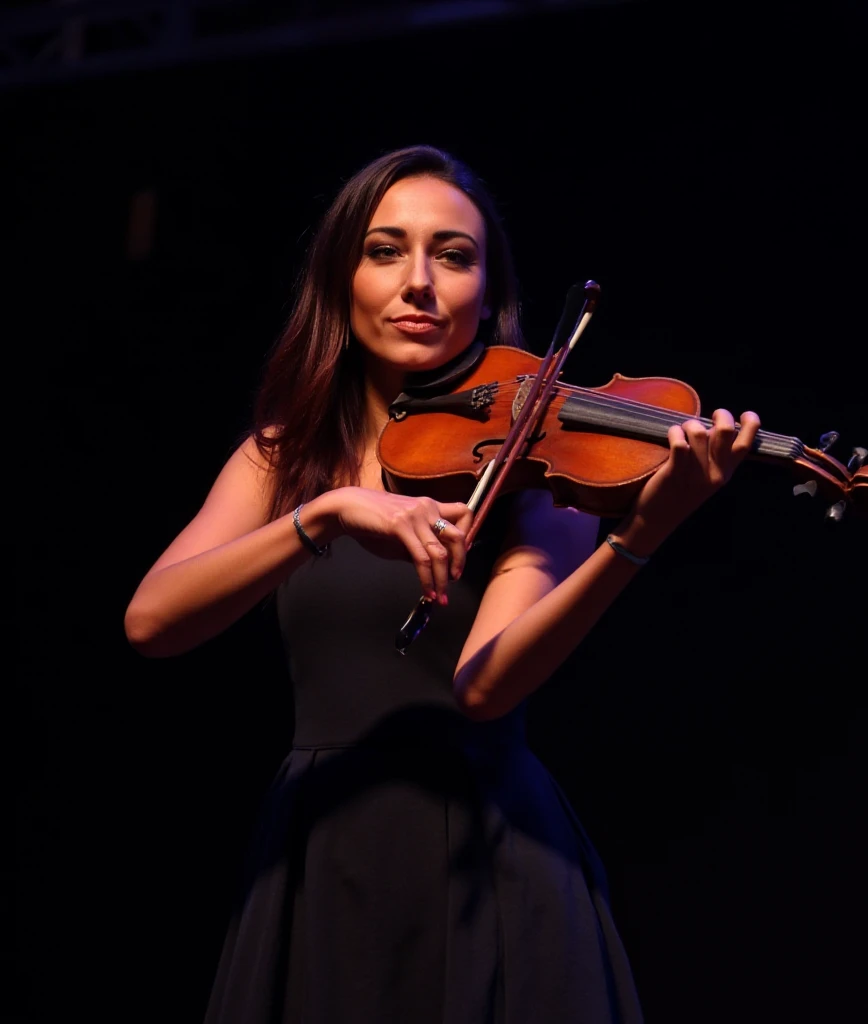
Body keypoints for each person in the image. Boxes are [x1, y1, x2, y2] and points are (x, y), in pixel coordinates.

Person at [124, 143, 760, 1023]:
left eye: (452, 255)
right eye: (385, 250)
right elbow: (153, 621)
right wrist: (328, 514)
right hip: (322, 846)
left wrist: (645, 529)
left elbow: (487, 686)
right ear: (341, 277)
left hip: (486, 855)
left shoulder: (535, 455)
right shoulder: (282, 459)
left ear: (484, 290)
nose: (418, 281)